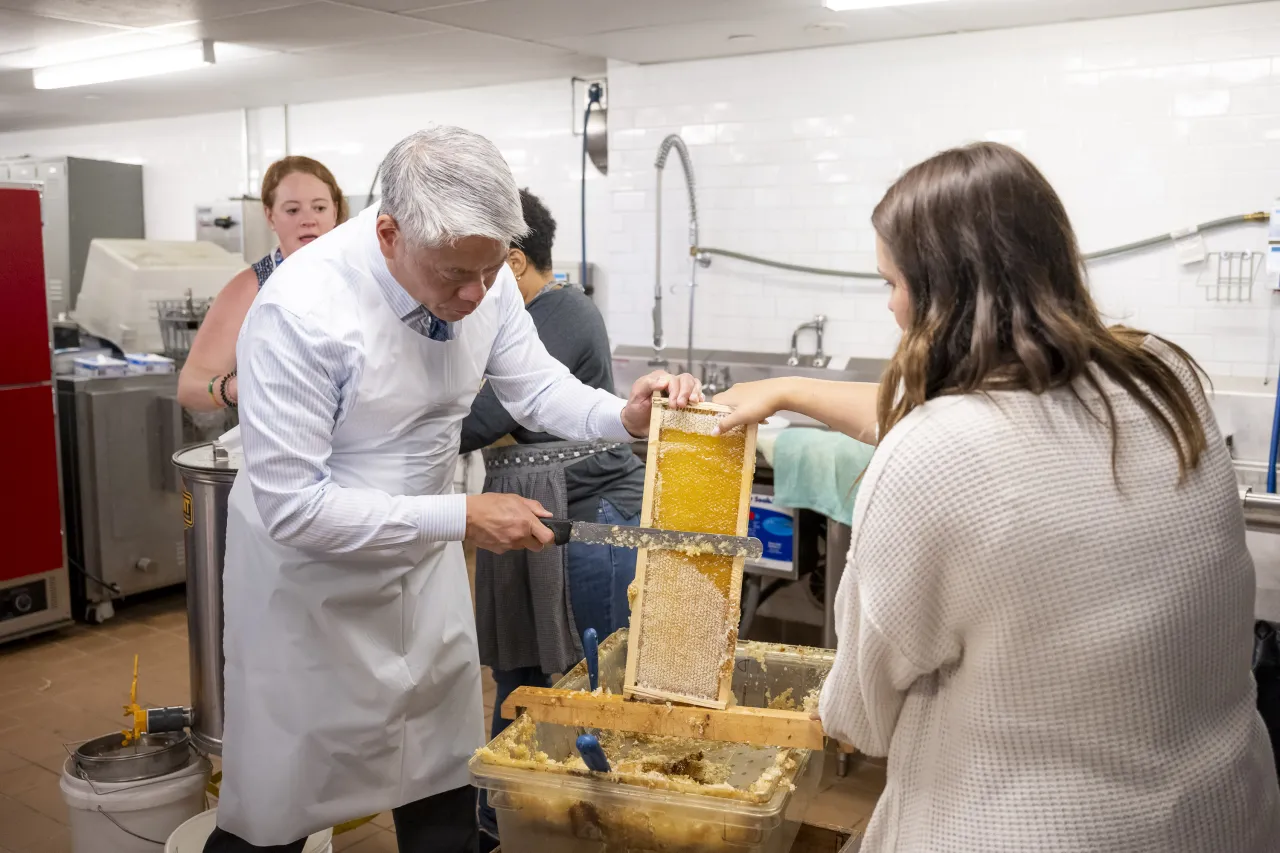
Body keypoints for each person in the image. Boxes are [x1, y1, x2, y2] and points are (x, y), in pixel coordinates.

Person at [715, 142, 1280, 852]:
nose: (889, 303)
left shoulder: (930, 453)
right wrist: (788, 390)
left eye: (890, 282)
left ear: (939, 294)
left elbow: (859, 717)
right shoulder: (1164, 378)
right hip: (1227, 811)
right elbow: (987, 416)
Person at [208, 126, 700, 853]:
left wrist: (622, 414)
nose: (476, 295)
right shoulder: (300, 313)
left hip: (423, 573)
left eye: (492, 271)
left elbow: (535, 386)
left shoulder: (483, 276)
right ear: (387, 234)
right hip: (309, 593)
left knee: (440, 783)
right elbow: (293, 507)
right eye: (454, 277)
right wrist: (460, 516)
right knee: (280, 806)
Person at [459, 189, 645, 846]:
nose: (466, 290)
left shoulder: (560, 311)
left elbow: (487, 418)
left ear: (511, 261)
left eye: (476, 271)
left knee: (583, 682)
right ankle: (512, 823)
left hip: (591, 522)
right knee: (524, 678)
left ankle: (589, 828)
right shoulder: (517, 313)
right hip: (538, 516)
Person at [177, 156, 347, 411]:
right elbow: (190, 388)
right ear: (270, 216)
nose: (308, 219)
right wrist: (242, 386)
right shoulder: (252, 287)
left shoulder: (363, 276)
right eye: (292, 210)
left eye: (319, 208)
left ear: (334, 211)